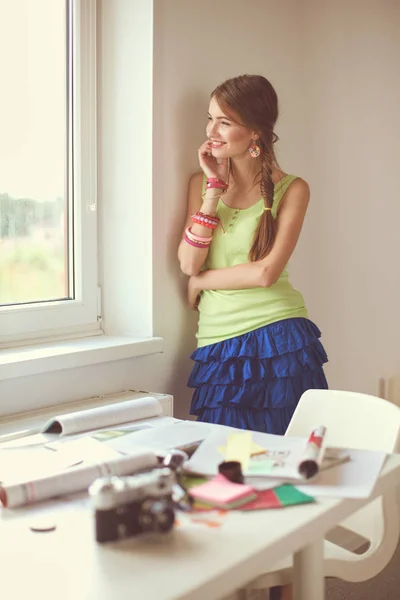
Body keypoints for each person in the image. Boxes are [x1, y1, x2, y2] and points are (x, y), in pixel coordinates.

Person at [178, 73, 328, 437]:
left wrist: (202, 281)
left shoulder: (292, 189)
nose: (212, 130)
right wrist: (213, 192)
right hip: (217, 342)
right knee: (225, 464)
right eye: (210, 117)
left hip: (279, 340)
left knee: (283, 462)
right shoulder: (200, 184)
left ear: (255, 133)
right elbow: (187, 262)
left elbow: (266, 273)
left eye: (225, 122)